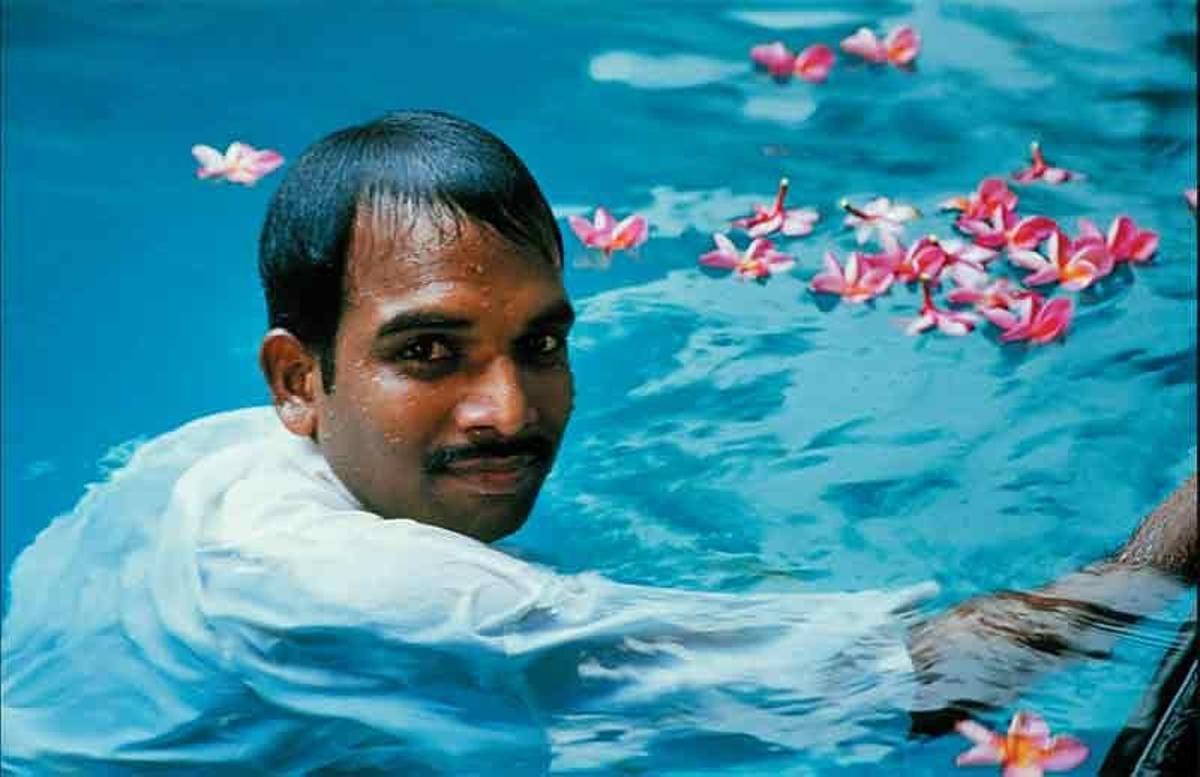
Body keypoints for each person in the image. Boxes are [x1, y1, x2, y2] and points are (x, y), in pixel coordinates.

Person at [2, 111, 1195, 773]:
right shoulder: (370, 591)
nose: (509, 413)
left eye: (540, 344)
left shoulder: (196, 461)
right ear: (297, 377)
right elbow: (911, 682)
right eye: (430, 353)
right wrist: (1170, 547)